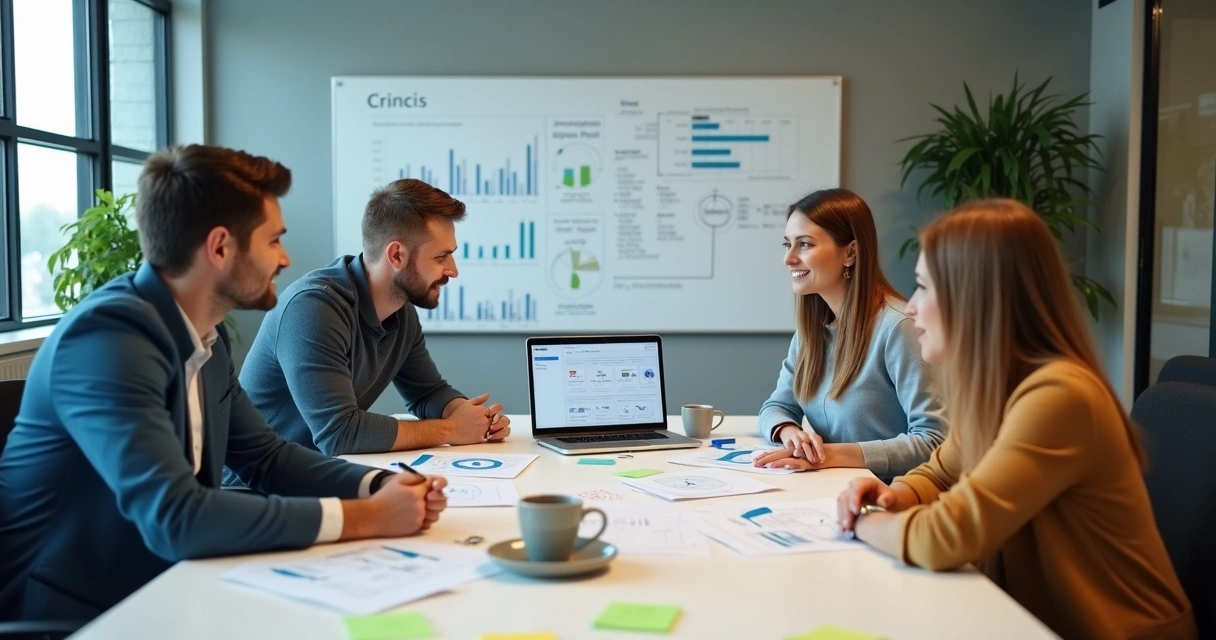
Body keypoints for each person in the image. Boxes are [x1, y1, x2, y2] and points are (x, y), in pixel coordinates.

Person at [0, 145, 448, 622]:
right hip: (74, 611)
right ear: (219, 247)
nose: (285, 257)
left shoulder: (203, 338)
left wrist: (379, 483)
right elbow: (178, 519)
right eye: (273, 241)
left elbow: (266, 458)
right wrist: (367, 517)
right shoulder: (107, 341)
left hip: (164, 581)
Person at [837, 200, 1196, 640]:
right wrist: (897, 494)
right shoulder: (995, 387)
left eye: (924, 287)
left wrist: (863, 521)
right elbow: (942, 471)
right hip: (1030, 617)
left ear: (976, 298)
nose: (910, 308)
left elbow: (945, 538)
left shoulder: (1060, 396)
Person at [235, 179, 510, 464]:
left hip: (315, 474)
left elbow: (427, 392)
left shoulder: (400, 310)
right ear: (396, 255)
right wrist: (452, 429)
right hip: (252, 489)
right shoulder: (312, 309)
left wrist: (468, 415)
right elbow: (339, 433)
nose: (452, 271)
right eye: (441, 257)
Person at [754, 188, 945, 478]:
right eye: (787, 244)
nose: (789, 259)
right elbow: (777, 406)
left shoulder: (899, 328)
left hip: (890, 497)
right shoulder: (812, 332)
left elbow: (934, 441)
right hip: (831, 489)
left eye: (804, 244)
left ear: (851, 253)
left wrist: (827, 455)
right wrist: (788, 431)